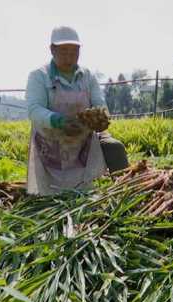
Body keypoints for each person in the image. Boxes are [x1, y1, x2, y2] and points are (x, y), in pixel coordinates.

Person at [25, 26, 128, 195]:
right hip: (51, 140)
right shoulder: (38, 76)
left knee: (114, 147)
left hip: (84, 137)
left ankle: (124, 191)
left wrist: (101, 119)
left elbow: (100, 104)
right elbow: (34, 109)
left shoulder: (87, 76)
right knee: (53, 193)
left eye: (74, 52)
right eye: (64, 51)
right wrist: (58, 121)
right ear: (52, 50)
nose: (69, 57)